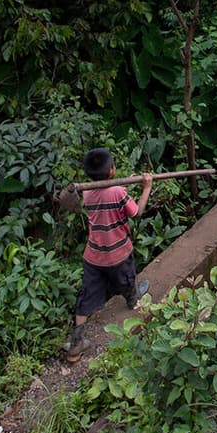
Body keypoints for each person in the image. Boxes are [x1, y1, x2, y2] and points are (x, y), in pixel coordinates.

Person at [65, 147, 152, 362]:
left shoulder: (87, 191)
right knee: (126, 278)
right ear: (112, 170)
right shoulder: (117, 193)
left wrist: (125, 184)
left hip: (94, 256)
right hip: (118, 253)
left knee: (87, 294)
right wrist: (146, 188)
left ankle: (76, 343)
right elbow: (136, 212)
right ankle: (133, 299)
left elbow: (105, 194)